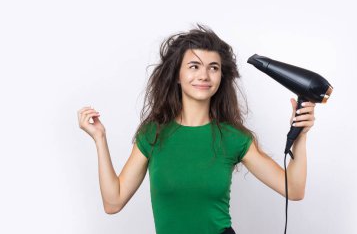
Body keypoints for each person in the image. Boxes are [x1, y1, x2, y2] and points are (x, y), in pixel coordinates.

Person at [77, 24, 316, 234]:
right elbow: (113, 202)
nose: (204, 75)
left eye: (213, 67)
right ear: (178, 75)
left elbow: (294, 190)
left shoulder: (234, 138)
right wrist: (100, 139)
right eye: (194, 66)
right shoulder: (153, 134)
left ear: (221, 76)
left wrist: (301, 136)